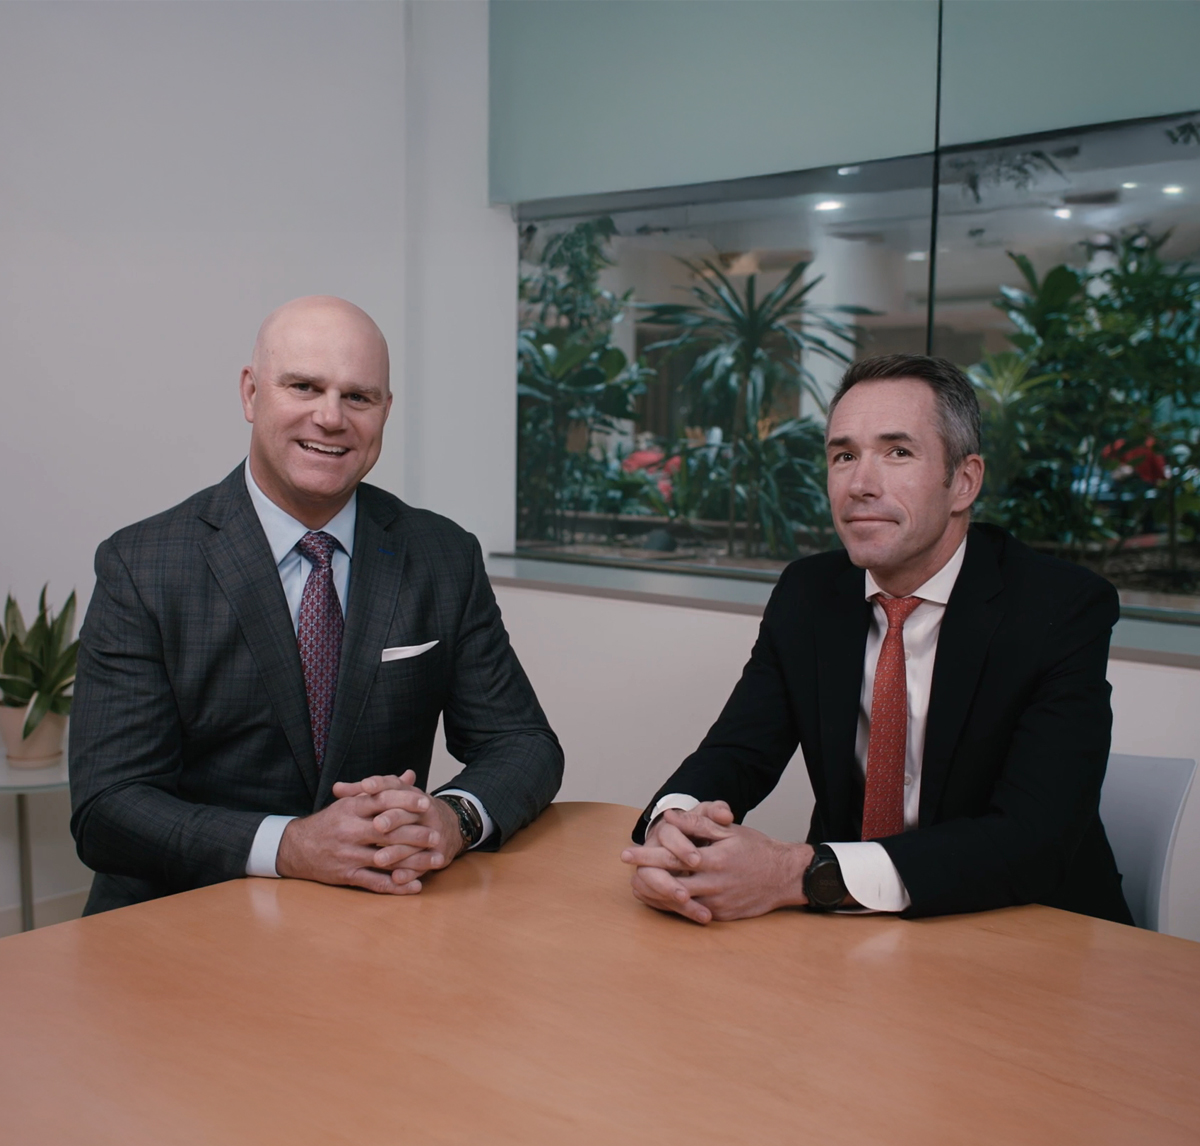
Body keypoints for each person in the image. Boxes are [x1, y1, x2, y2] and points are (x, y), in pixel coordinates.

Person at [71, 296, 562, 913]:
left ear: (385, 411)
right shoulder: (141, 564)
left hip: (374, 921)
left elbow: (523, 742)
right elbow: (108, 806)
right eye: (304, 386)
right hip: (181, 921)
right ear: (251, 394)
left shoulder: (443, 555)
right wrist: (288, 845)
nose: (331, 418)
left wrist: (452, 818)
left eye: (358, 397)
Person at [622, 354, 1132, 926]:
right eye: (844, 455)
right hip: (854, 936)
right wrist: (675, 827)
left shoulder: (1058, 607)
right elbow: (738, 751)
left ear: (963, 481)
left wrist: (797, 873)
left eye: (898, 452)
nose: (861, 485)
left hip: (1031, 930)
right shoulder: (809, 592)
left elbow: (1032, 840)